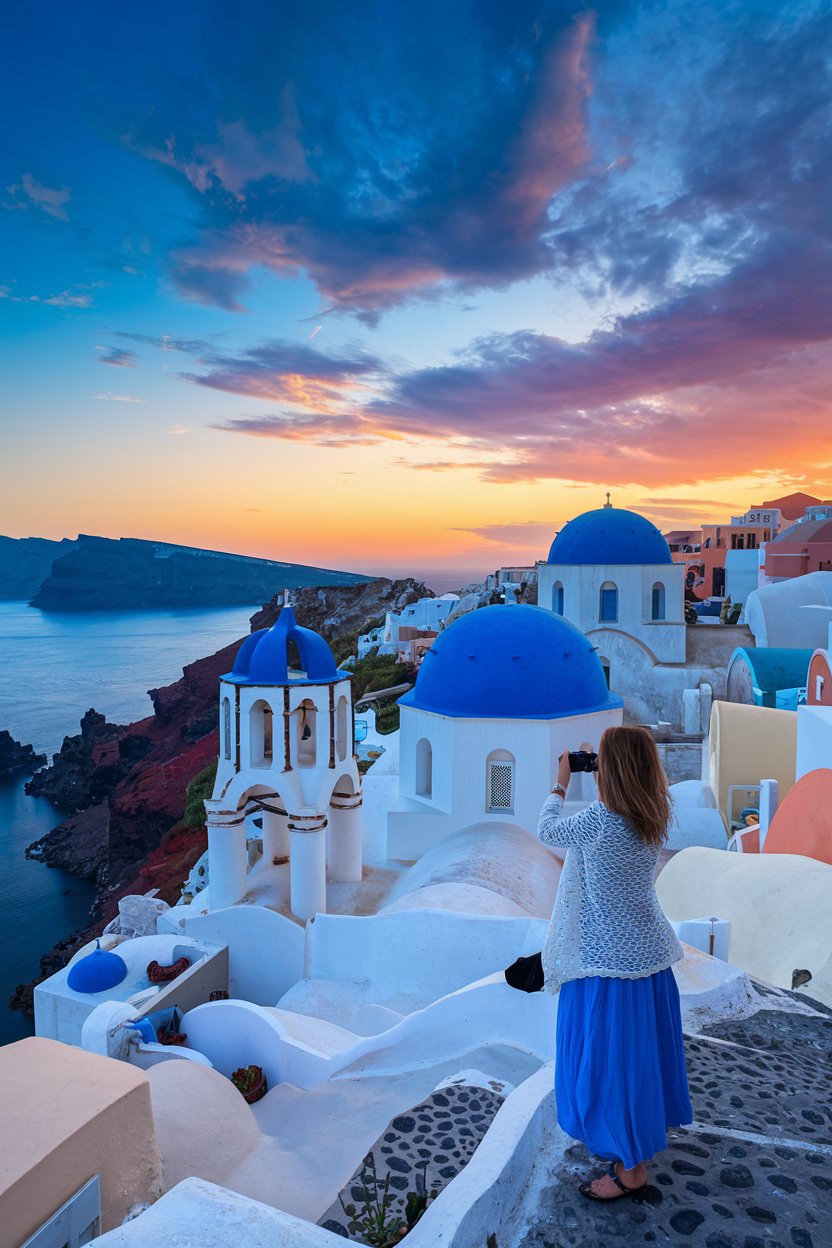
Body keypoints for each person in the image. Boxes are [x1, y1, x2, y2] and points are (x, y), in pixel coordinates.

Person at [537, 725, 692, 1201]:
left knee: (611, 1069)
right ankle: (632, 1155)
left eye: (601, 761)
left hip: (608, 967)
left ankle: (629, 1171)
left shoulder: (599, 820)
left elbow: (546, 830)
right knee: (638, 1064)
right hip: (649, 962)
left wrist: (562, 781)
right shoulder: (653, 814)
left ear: (612, 769)